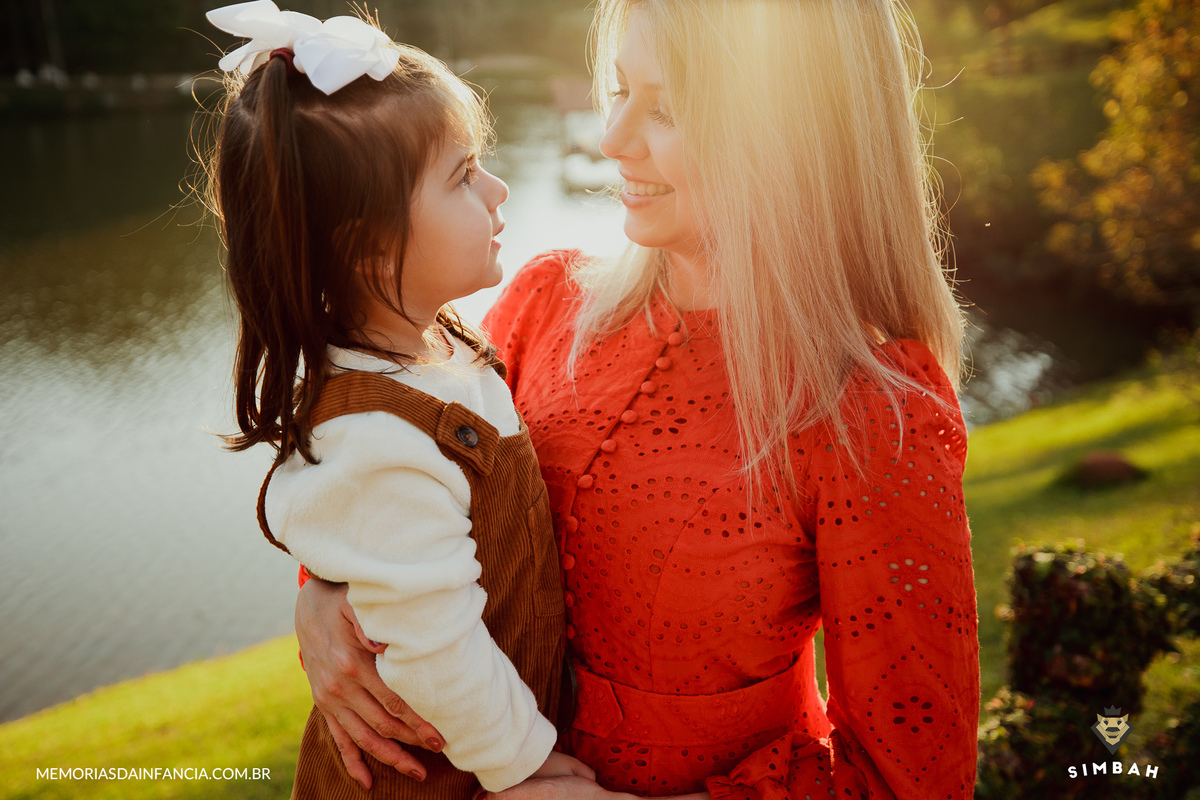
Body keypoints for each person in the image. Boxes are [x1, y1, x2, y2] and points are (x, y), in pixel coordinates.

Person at [294, 0, 981, 798]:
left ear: (796, 133)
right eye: (619, 90)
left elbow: (914, 780)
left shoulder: (872, 411)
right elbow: (392, 478)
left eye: (667, 109)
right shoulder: (545, 302)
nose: (612, 137)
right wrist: (324, 597)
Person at [202, 2, 595, 797]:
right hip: (427, 779)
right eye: (461, 176)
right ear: (367, 244)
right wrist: (525, 770)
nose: (498, 187)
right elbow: (433, 641)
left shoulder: (439, 344)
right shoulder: (372, 435)